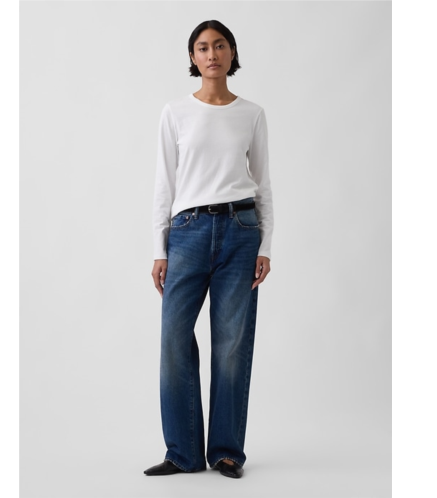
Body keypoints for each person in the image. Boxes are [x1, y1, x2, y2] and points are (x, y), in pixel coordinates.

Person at [145, 20, 274, 480]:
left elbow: (263, 184)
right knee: (174, 339)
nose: (212, 54)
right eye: (202, 47)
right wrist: (159, 248)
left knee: (232, 344)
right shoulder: (175, 112)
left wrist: (266, 244)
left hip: (241, 230)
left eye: (219, 45)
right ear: (193, 57)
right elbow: (164, 183)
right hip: (188, 232)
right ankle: (182, 452)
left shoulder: (252, 113)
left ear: (232, 52)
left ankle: (226, 452)